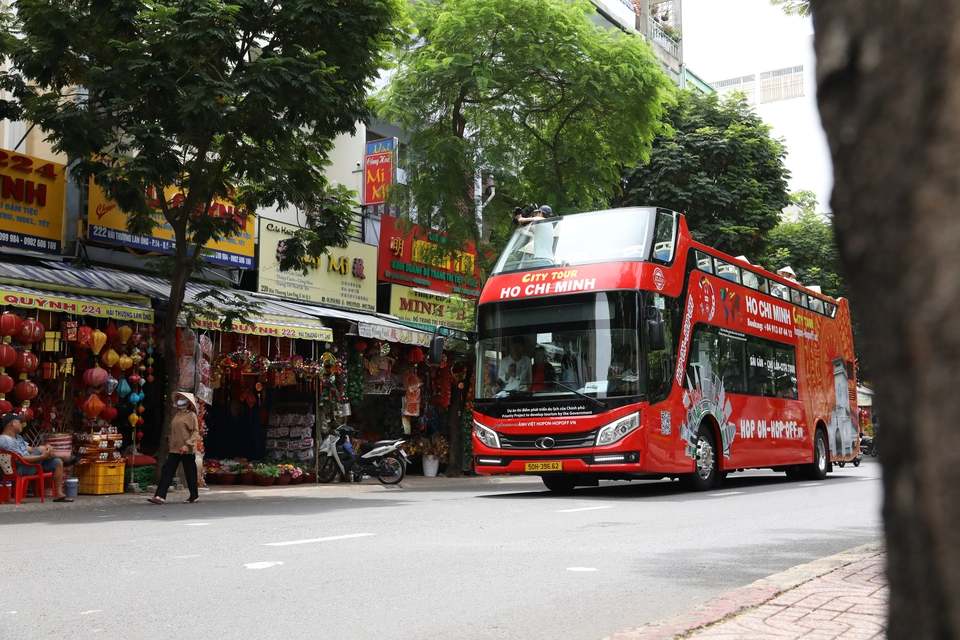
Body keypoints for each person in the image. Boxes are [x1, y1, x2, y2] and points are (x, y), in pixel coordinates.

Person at [0, 413, 73, 502]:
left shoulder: (17, 437)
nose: (22, 424)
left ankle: (59, 494)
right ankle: (63, 456)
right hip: (20, 467)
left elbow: (31, 449)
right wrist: (42, 456)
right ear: (12, 423)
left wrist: (45, 448)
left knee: (57, 462)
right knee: (41, 451)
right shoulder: (4, 439)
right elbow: (20, 458)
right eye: (20, 422)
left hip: (30, 464)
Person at [149, 392, 201, 504]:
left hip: (186, 449)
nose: (179, 400)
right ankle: (160, 496)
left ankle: (194, 495)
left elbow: (195, 432)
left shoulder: (191, 415)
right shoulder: (177, 414)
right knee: (167, 470)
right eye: (179, 399)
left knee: (190, 472)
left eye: (182, 399)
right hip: (175, 448)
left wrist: (187, 444)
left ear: (188, 402)